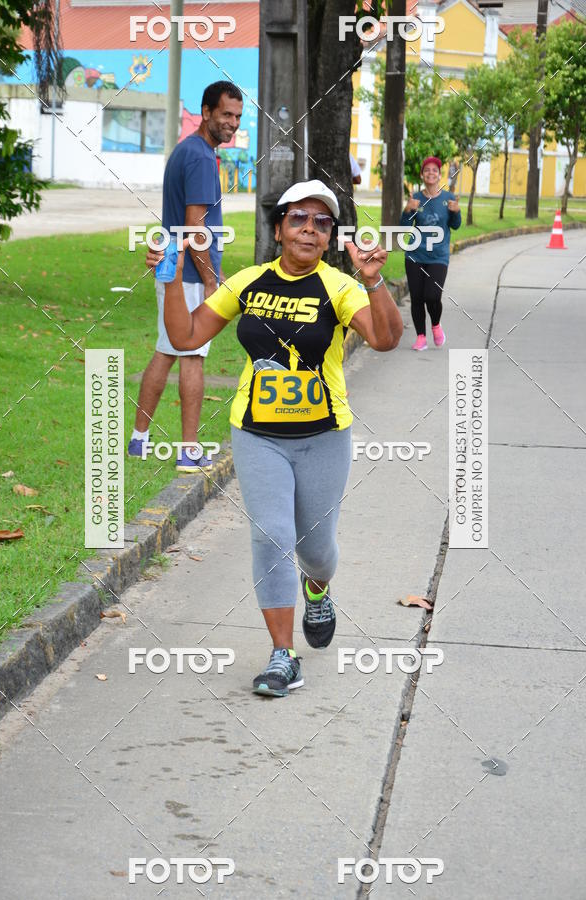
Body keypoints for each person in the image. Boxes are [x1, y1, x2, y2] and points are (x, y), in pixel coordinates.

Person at [146, 180, 403, 696]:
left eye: (322, 222)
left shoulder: (340, 286)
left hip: (324, 436)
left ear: (330, 236)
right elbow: (186, 337)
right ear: (280, 228)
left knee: (317, 548)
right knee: (271, 536)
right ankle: (283, 656)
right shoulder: (248, 282)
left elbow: (385, 338)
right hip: (257, 433)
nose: (310, 229)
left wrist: (374, 282)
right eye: (299, 219)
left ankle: (318, 586)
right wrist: (172, 280)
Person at [128, 81, 243, 470]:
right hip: (189, 275)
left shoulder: (188, 151)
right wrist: (211, 278)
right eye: (226, 114)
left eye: (238, 117)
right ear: (206, 112)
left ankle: (139, 440)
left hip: (172, 269)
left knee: (166, 352)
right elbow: (196, 227)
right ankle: (188, 450)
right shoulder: (199, 158)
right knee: (192, 356)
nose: (233, 123)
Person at [400, 156, 461, 351]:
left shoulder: (448, 198)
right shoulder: (416, 198)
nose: (431, 173)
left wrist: (456, 212)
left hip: (438, 257)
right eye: (427, 170)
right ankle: (420, 337)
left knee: (432, 296)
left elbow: (456, 225)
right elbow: (404, 227)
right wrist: (408, 210)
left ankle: (435, 324)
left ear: (439, 175)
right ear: (422, 175)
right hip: (415, 255)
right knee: (417, 298)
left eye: (435, 170)